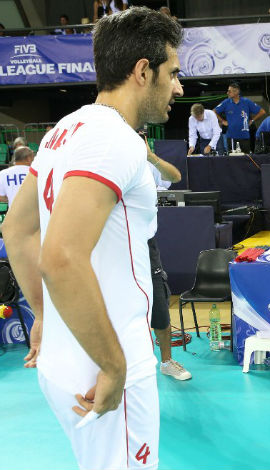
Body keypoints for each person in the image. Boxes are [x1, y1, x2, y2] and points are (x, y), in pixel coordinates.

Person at [2, 7, 183, 469]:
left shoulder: (63, 130)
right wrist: (114, 365)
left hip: (64, 356)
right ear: (143, 72)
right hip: (105, 360)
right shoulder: (115, 140)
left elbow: (16, 229)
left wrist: (44, 313)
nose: (179, 88)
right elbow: (60, 255)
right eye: (173, 73)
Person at [144, 135, 192, 380]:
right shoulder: (111, 167)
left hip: (147, 245)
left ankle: (166, 361)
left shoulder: (148, 165)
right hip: (118, 245)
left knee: (159, 303)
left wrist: (150, 156)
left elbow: (175, 176)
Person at [214, 82, 266, 154]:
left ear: (236, 92)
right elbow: (213, 112)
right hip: (231, 137)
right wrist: (222, 121)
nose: (227, 93)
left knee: (246, 158)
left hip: (245, 137)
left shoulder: (246, 102)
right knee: (232, 159)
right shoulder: (226, 102)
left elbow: (262, 112)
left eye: (229, 91)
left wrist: (252, 120)